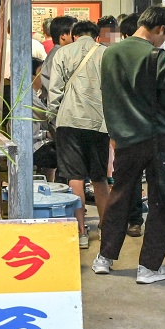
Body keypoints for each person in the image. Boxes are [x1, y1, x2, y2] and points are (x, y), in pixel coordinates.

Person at [92, 6, 165, 284]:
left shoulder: (110, 53)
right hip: (158, 137)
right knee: (161, 200)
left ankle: (104, 259)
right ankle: (148, 268)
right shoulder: (156, 56)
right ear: (159, 30)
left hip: (124, 138)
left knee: (119, 196)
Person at [47, 20, 109, 249]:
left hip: (69, 121)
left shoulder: (63, 53)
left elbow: (55, 91)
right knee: (100, 177)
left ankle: (81, 231)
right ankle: (106, 227)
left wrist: (52, 118)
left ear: (73, 36)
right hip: (98, 123)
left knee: (75, 178)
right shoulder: (106, 54)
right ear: (96, 37)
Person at [116, 12, 146, 237]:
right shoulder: (154, 54)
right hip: (152, 127)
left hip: (126, 128)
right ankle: (139, 220)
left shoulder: (115, 56)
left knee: (127, 179)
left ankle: (131, 220)